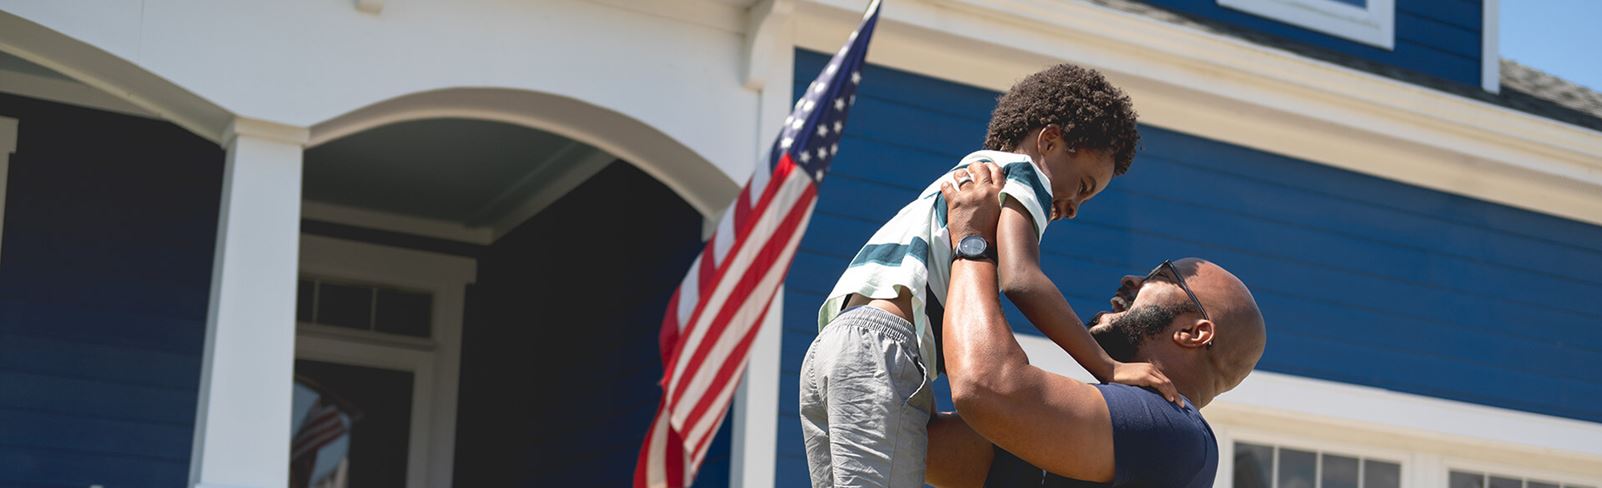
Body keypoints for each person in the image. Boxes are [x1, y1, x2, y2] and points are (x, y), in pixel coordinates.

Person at [800, 64, 1170, 488]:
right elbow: (1022, 278)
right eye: (1083, 185)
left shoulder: (970, 175)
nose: (1074, 207)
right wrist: (1109, 368)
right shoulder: (1024, 176)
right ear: (1049, 141)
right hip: (888, 345)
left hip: (830, 347)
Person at [924, 161, 1268, 487]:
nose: (1131, 279)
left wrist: (972, 239)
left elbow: (985, 384)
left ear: (1194, 333)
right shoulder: (1120, 435)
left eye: (1160, 276)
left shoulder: (1175, 430)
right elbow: (923, 443)